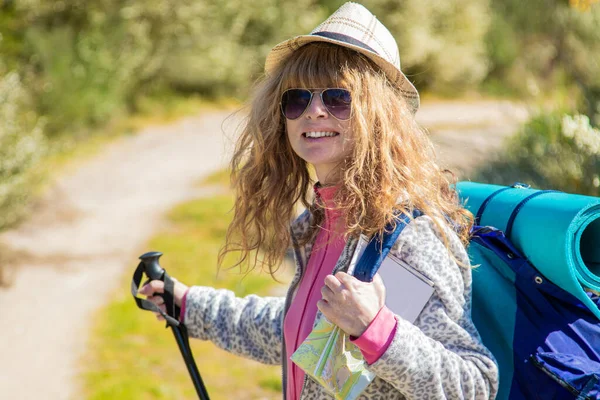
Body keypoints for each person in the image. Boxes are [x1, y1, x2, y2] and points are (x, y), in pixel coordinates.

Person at [137, 2, 499, 399]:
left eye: (337, 97)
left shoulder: (405, 238)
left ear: (379, 114)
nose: (314, 111)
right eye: (297, 99)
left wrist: (375, 328)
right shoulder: (319, 224)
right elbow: (307, 336)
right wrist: (190, 306)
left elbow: (473, 385)